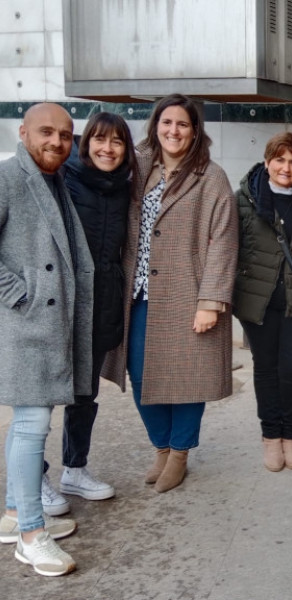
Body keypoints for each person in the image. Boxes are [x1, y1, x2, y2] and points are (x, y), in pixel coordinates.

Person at [103, 94, 239, 493]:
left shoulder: (209, 176)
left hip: (188, 292)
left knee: (187, 377)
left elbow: (224, 241)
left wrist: (210, 301)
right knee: (141, 374)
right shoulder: (139, 166)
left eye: (182, 124)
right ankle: (160, 447)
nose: (173, 131)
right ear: (155, 126)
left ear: (195, 131)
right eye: (166, 123)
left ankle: (180, 452)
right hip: (139, 290)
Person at [0, 103, 92, 576]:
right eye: (46, 132)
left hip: (45, 327)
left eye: (65, 134)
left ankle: (15, 511)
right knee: (33, 423)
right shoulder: (8, 177)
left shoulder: (54, 180)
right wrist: (21, 296)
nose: (56, 142)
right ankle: (31, 535)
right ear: (23, 133)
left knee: (27, 421)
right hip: (26, 326)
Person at [36, 112, 134, 511]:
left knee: (83, 394)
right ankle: (34, 476)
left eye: (116, 142)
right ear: (85, 142)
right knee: (41, 397)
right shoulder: (63, 179)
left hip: (102, 303)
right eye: (99, 140)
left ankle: (74, 469)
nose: (107, 149)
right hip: (60, 304)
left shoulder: (124, 188)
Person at [232, 132, 292, 472]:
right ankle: (271, 438)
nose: (286, 167)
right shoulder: (244, 198)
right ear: (268, 160)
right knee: (267, 369)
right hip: (257, 302)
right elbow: (228, 246)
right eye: (281, 160)